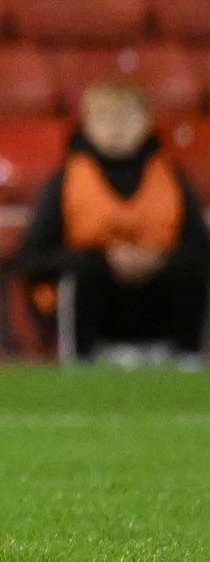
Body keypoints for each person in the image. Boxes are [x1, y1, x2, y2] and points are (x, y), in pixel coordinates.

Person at [18, 79, 209, 367]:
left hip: (161, 303)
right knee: (85, 277)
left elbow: (201, 251)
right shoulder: (66, 180)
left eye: (126, 116)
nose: (116, 127)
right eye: (105, 117)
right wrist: (102, 259)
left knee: (189, 271)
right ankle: (87, 360)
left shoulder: (172, 178)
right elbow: (32, 258)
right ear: (87, 124)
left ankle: (186, 358)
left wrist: (158, 259)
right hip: (96, 304)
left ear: (146, 122)